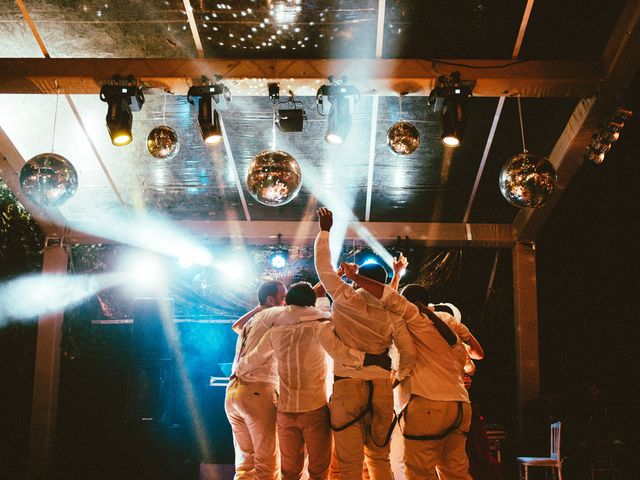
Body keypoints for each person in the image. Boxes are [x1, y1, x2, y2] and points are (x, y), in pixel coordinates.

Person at [236, 282, 392, 480]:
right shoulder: (320, 325)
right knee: (318, 473)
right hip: (315, 411)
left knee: (289, 474)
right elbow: (342, 353)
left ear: (289, 302)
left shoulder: (275, 332)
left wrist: (237, 373)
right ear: (311, 303)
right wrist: (370, 358)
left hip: (286, 412)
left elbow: (251, 360)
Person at [340, 266, 478, 480]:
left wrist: (353, 277)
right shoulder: (448, 321)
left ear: (407, 302)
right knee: (456, 473)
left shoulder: (413, 318)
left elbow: (385, 296)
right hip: (460, 407)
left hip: (428, 405)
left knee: (418, 473)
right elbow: (479, 353)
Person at [314, 208, 416, 480]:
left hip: (347, 385)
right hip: (382, 387)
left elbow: (322, 267)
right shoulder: (392, 312)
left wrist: (325, 230)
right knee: (379, 460)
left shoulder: (345, 298)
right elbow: (408, 351)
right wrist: (397, 378)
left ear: (361, 282)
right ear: (383, 284)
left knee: (349, 466)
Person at [224, 280, 286, 480]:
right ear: (271, 299)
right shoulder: (276, 315)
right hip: (257, 391)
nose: (287, 302)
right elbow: (303, 304)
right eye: (284, 297)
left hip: (233, 393)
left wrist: (261, 306)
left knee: (244, 465)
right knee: (266, 464)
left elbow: (236, 325)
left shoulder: (253, 321)